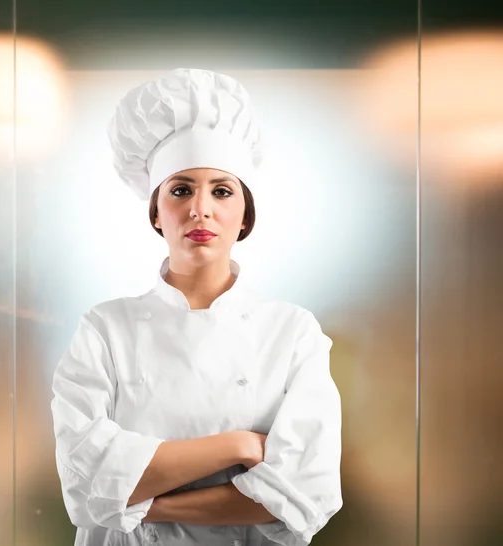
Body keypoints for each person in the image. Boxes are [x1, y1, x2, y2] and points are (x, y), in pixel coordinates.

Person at [50, 68, 343, 546]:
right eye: (181, 189)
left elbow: (306, 493)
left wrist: (137, 499)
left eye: (221, 191)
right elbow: (83, 486)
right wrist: (239, 446)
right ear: (156, 211)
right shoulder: (105, 328)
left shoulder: (292, 333)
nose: (200, 209)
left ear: (244, 213)